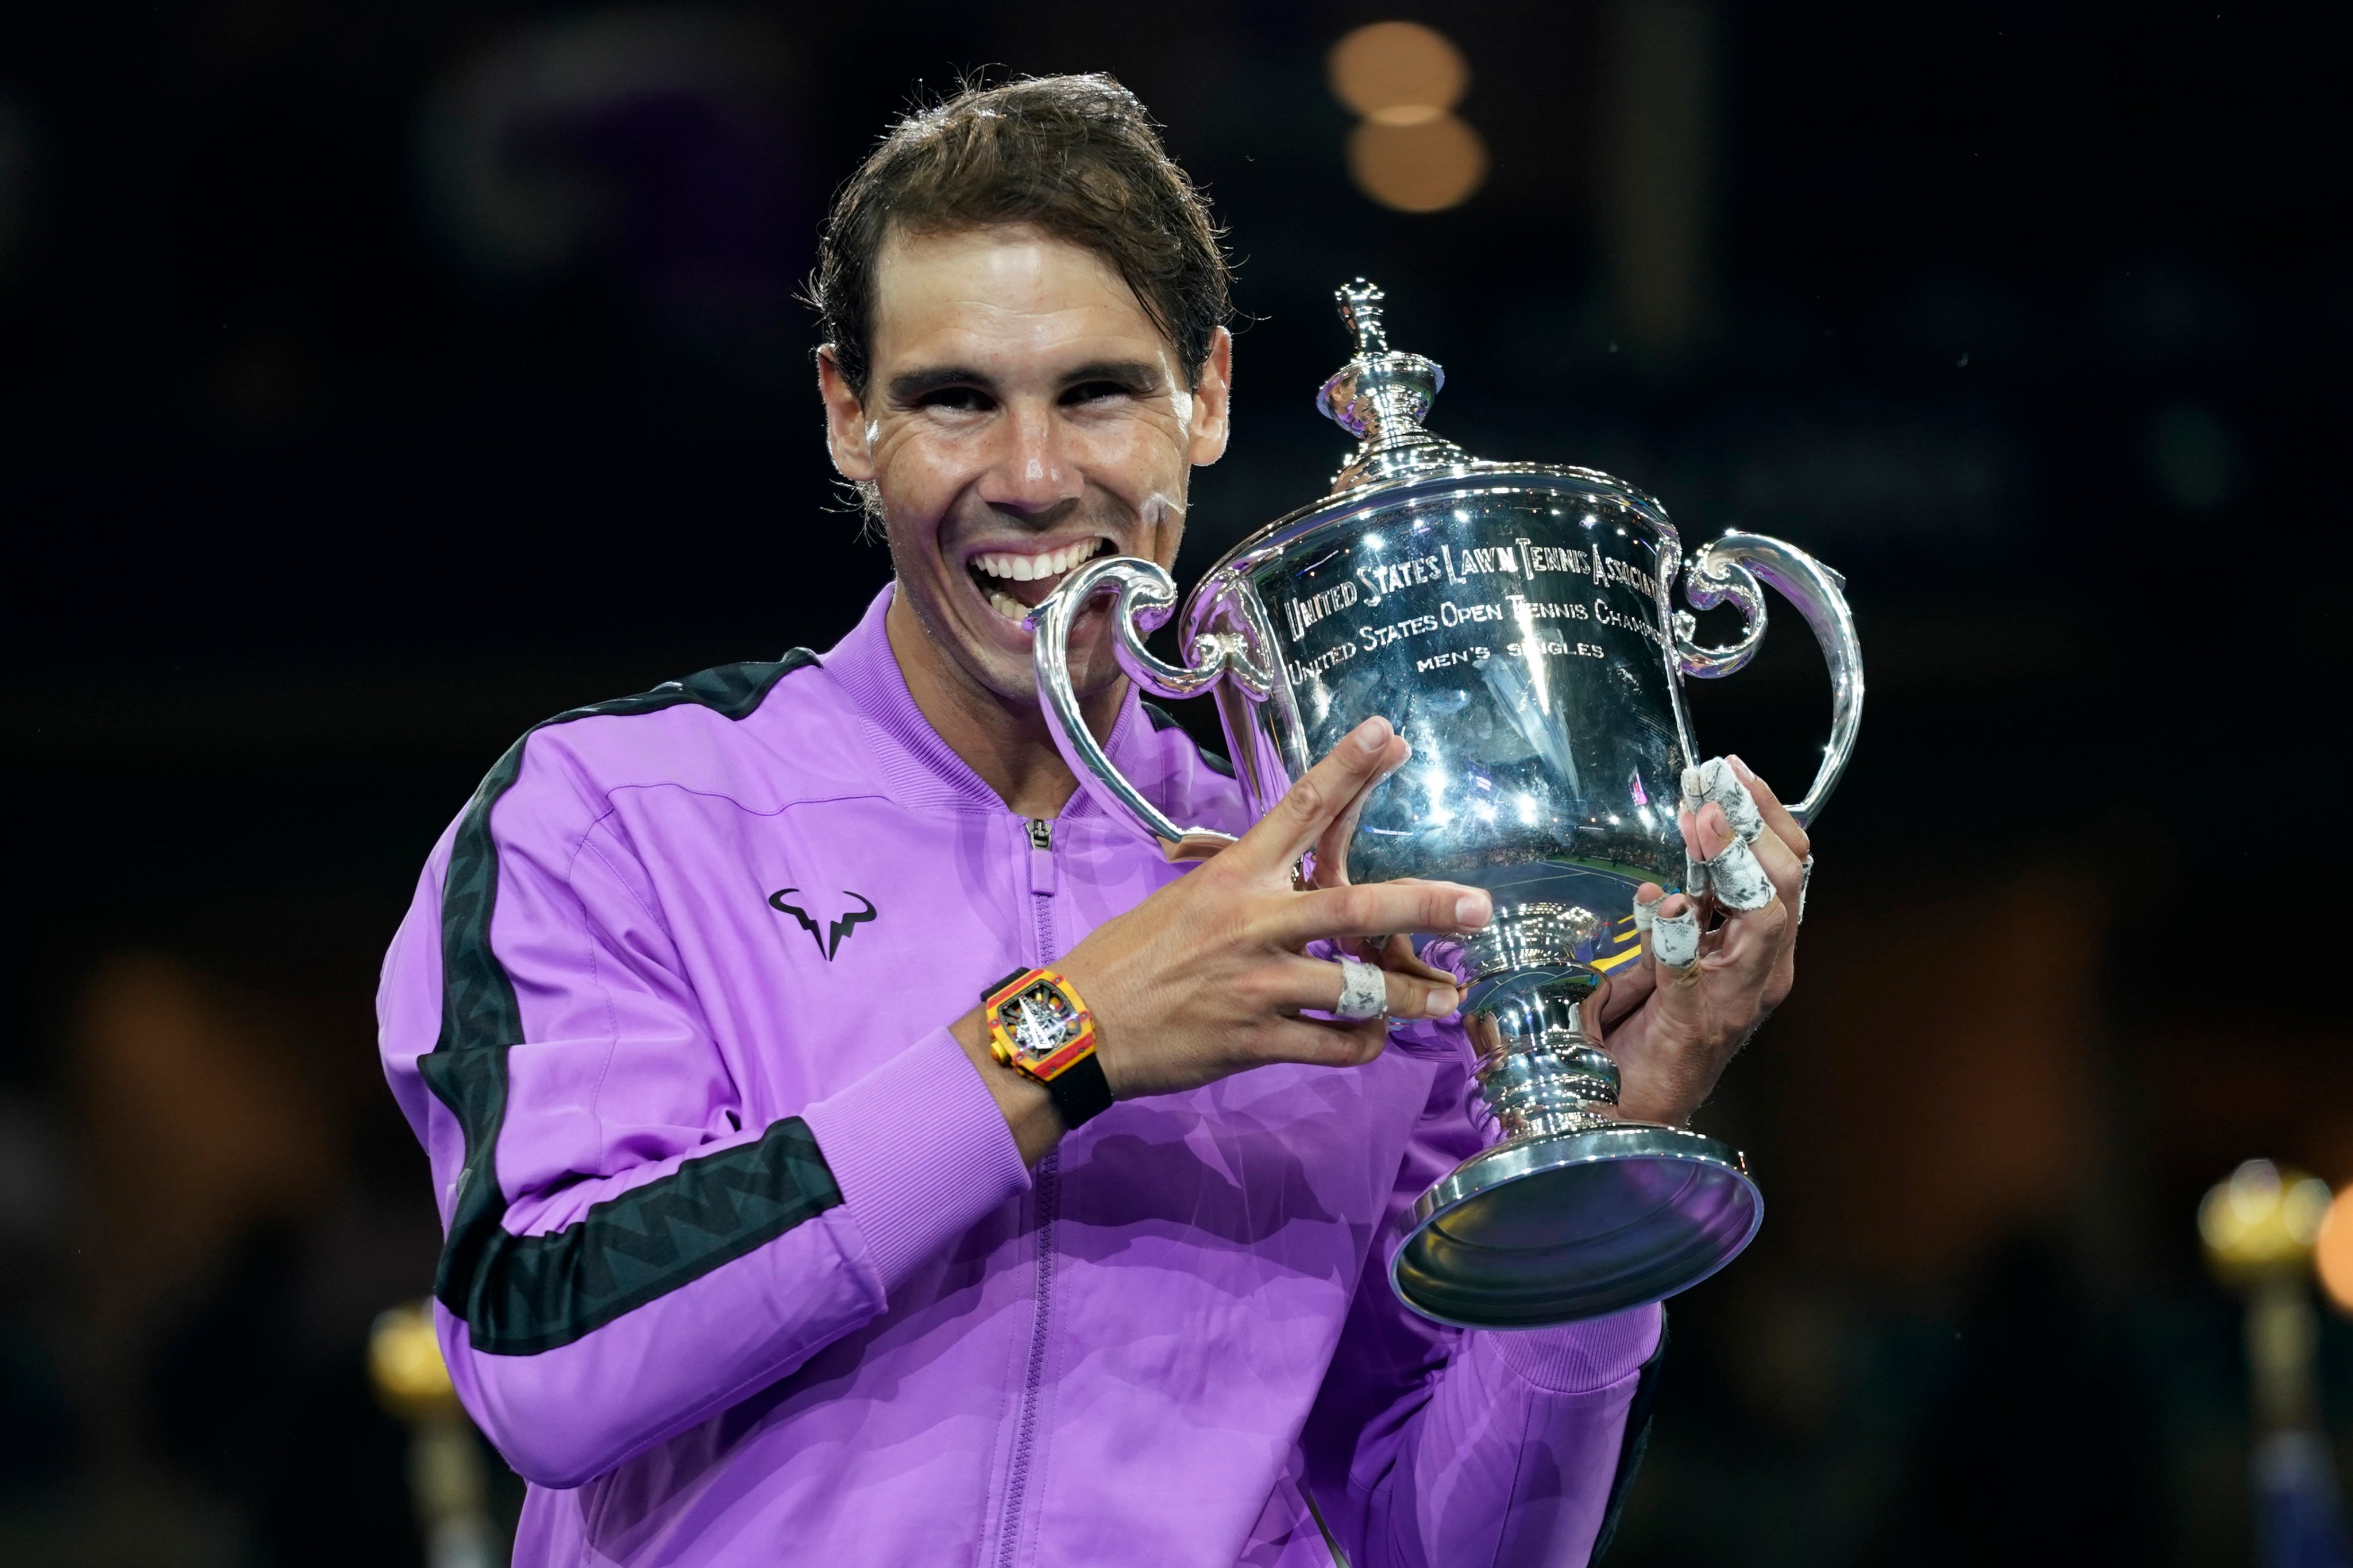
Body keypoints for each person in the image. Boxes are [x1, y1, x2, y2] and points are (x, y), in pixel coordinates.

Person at [377, 73, 1812, 1568]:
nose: (1034, 476)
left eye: (1098, 392)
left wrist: (1605, 1157)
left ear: (1208, 399)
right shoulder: (615, 812)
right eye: (953, 399)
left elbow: (1454, 1546)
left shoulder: (1351, 894)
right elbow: (547, 1359)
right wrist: (1068, 1035)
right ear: (845, 416)